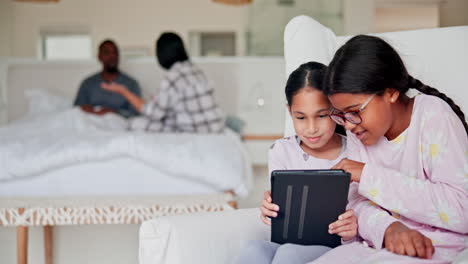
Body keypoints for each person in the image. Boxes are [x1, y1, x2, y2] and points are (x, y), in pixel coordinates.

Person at [309, 35, 468, 264]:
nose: (349, 125)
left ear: (390, 92)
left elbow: (462, 209)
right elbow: (355, 204)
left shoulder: (434, 116)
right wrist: (388, 228)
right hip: (377, 245)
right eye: (341, 115)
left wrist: (367, 175)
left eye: (355, 111)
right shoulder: (359, 131)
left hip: (434, 247)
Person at [234, 62, 357, 264]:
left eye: (322, 115)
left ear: (336, 109)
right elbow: (280, 213)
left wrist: (352, 228)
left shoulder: (355, 151)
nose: (311, 128)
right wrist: (270, 208)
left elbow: (367, 210)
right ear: (290, 112)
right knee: (253, 250)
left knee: (289, 254)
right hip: (288, 243)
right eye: (301, 117)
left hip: (338, 247)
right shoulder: (281, 151)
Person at [102, 32, 224, 133]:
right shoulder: (197, 70)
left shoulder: (173, 75)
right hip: (215, 126)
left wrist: (123, 91)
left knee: (134, 124)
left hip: (193, 130)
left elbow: (154, 114)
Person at [74, 39, 141, 117]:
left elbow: (136, 113)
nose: (112, 56)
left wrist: (114, 112)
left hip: (117, 123)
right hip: (91, 121)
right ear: (99, 57)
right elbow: (76, 109)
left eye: (115, 52)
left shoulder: (131, 84)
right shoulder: (88, 83)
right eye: (107, 52)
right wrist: (91, 111)